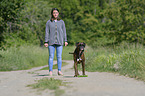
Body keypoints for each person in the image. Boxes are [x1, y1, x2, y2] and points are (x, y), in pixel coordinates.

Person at [44, 8, 68, 76]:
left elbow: (64, 32)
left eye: (56, 13)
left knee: (59, 57)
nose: (55, 14)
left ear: (58, 13)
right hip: (51, 42)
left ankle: (59, 70)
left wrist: (65, 40)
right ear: (52, 13)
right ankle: (50, 71)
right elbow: (47, 32)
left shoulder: (61, 22)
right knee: (51, 56)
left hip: (60, 42)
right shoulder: (48, 22)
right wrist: (46, 41)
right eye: (54, 13)